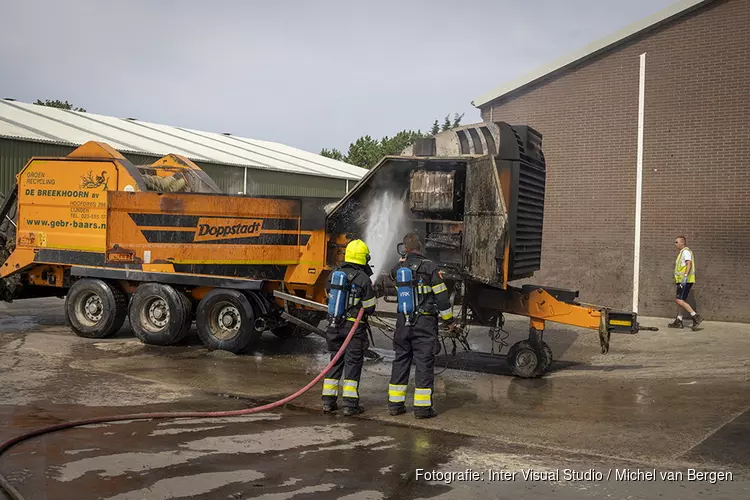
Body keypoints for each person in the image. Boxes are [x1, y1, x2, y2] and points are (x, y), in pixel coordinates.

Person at [388, 233, 455, 419]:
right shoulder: (429, 267)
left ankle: (395, 405)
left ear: (406, 249)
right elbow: (442, 298)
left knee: (401, 361)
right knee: (424, 363)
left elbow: (392, 275)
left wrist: (402, 260)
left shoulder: (399, 267)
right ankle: (422, 409)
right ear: (420, 247)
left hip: (403, 322)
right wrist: (449, 321)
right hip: (424, 324)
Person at [321, 239, 377, 416]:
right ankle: (350, 405)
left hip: (334, 325)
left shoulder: (334, 274)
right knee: (352, 363)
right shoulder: (363, 278)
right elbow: (369, 307)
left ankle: (328, 402)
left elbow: (328, 295)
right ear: (364, 258)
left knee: (335, 360)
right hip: (353, 328)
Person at [668, 236, 703, 330]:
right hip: (682, 280)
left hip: (685, 281)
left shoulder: (685, 252)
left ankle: (696, 317)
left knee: (679, 300)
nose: (675, 244)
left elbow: (689, 263)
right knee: (681, 301)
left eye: (676, 242)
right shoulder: (682, 253)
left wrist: (685, 276)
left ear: (682, 243)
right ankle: (679, 321)